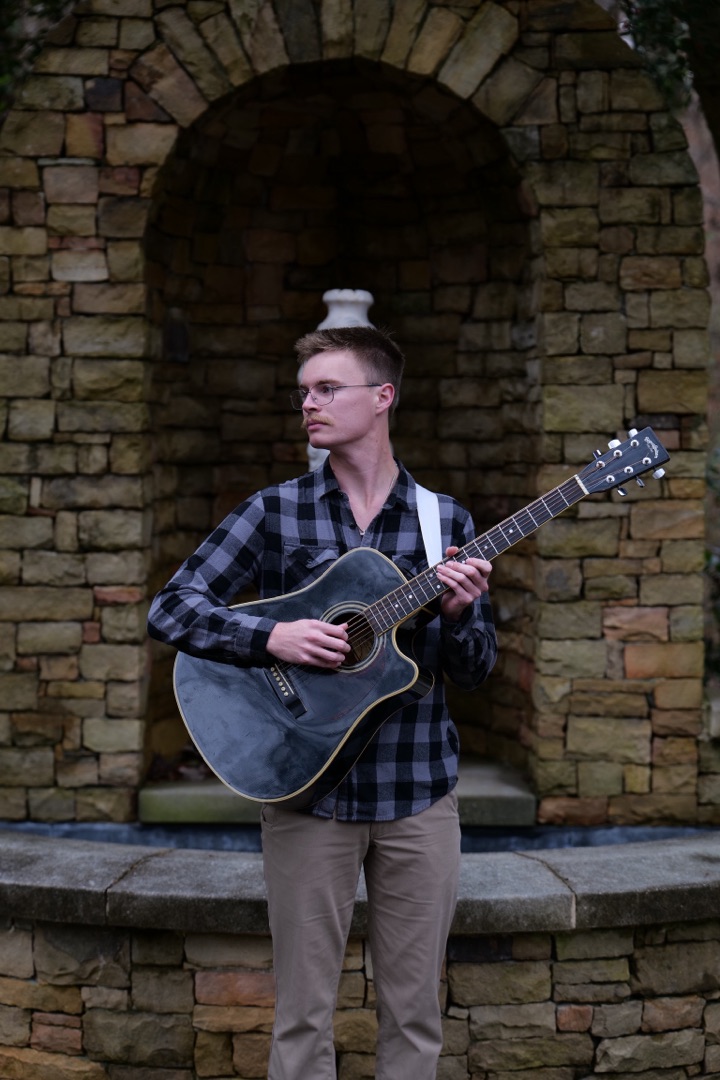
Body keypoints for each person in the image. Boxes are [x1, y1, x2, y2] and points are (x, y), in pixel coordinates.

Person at [147, 325, 497, 1080]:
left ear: (383, 397)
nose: (309, 403)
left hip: (417, 791)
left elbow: (473, 672)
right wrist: (269, 637)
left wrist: (462, 615)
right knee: (303, 1017)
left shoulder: (444, 523)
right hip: (307, 791)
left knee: (416, 1015)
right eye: (304, 391)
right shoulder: (274, 511)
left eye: (328, 388)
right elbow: (171, 608)